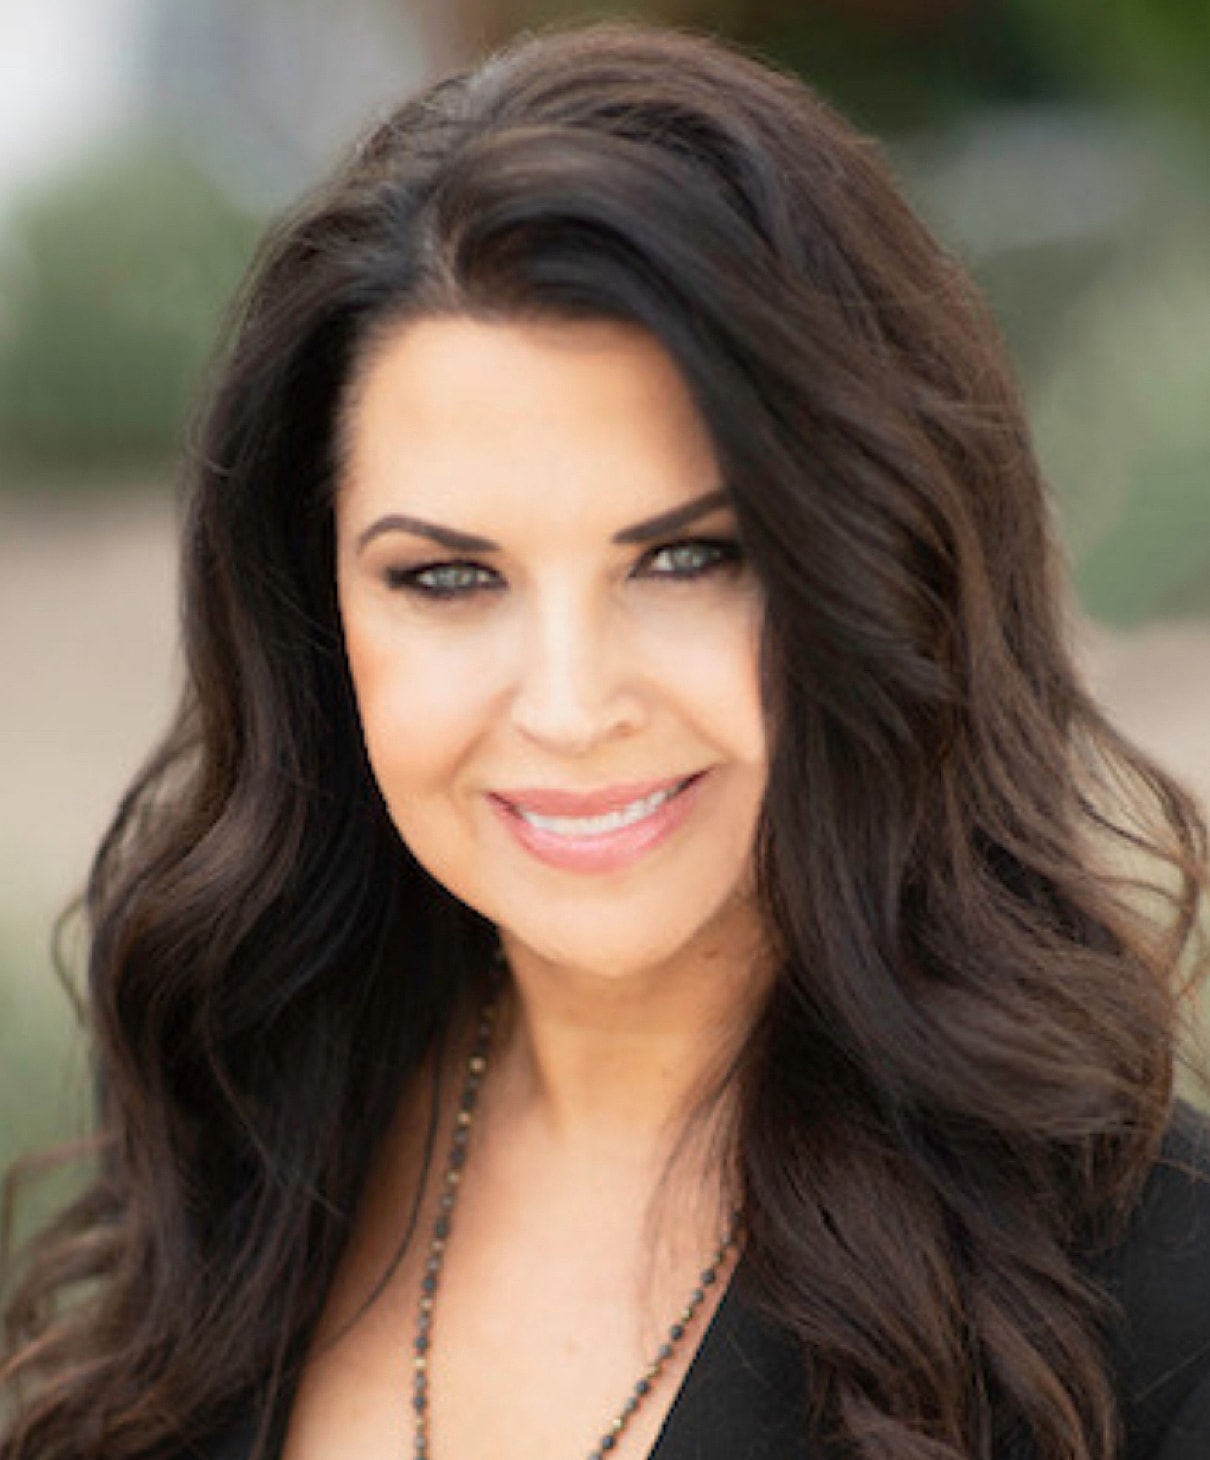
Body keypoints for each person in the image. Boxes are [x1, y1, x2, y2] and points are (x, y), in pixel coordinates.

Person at [3, 19, 1209, 1460]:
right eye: (446, 578)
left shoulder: (1143, 1302)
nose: (571, 708)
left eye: (687, 559)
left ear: (876, 577)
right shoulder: (241, 1142)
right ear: (314, 616)